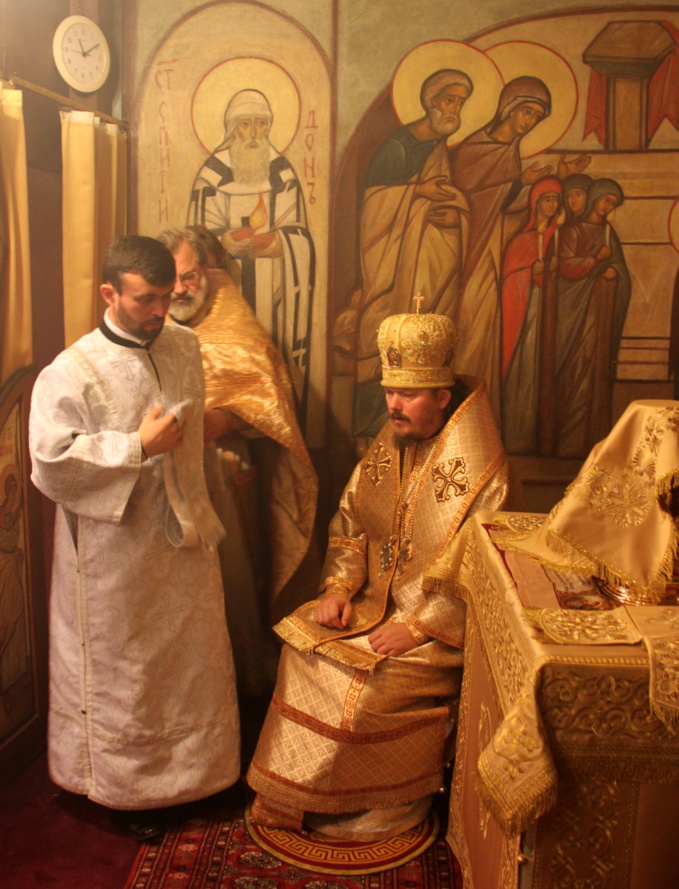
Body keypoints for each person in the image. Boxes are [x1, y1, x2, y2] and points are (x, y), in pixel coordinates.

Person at [247, 305, 511, 841]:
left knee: (365, 689)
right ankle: (314, 794)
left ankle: (395, 804)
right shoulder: (386, 447)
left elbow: (483, 566)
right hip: (371, 606)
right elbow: (351, 524)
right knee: (303, 650)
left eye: (408, 394)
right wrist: (339, 586)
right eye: (389, 390)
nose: (393, 404)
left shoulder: (483, 469)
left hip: (441, 632)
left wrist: (419, 627)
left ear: (442, 395)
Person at [28, 235, 240, 841]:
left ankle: (199, 776)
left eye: (167, 298)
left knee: (188, 663)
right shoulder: (70, 372)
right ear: (108, 293)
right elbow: (50, 460)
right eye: (146, 300)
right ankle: (130, 792)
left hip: (183, 539)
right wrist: (136, 447)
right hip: (113, 556)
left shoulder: (184, 345)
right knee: (131, 672)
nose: (160, 313)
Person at [157, 226, 318, 694]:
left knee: (230, 585)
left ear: (206, 271)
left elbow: (269, 396)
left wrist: (226, 419)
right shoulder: (148, 323)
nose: (181, 289)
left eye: (189, 275)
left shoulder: (234, 321)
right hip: (161, 479)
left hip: (225, 474)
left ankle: (237, 686)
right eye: (171, 280)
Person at [333, 69, 472, 439]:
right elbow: (375, 209)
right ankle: (369, 430)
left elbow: (445, 195)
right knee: (378, 328)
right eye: (448, 100)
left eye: (460, 102)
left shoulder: (438, 147)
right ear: (430, 102)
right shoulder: (396, 148)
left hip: (428, 257)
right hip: (390, 262)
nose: (454, 108)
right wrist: (417, 194)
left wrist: (448, 213)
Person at [187, 89, 315, 425]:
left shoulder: (282, 173)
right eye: (247, 125)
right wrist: (225, 240)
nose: (255, 133)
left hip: (274, 294)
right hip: (224, 298)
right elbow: (198, 242)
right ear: (232, 129)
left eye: (261, 124)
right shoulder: (212, 175)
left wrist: (275, 242)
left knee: (270, 365)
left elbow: (297, 235)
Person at [555, 178, 631, 457]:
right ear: (595, 197)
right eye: (605, 199)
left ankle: (593, 440)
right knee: (575, 371)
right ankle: (569, 443)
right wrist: (598, 262)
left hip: (599, 317)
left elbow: (622, 273)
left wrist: (614, 274)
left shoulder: (610, 233)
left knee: (595, 371)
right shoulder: (572, 230)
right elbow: (567, 269)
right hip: (575, 316)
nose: (608, 205)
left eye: (612, 203)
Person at [501, 178, 562, 453]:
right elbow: (508, 281)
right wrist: (530, 272)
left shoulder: (560, 238)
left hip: (552, 317)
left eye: (555, 200)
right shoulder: (521, 241)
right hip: (527, 316)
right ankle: (519, 437)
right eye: (546, 199)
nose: (552, 205)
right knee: (525, 369)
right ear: (535, 203)